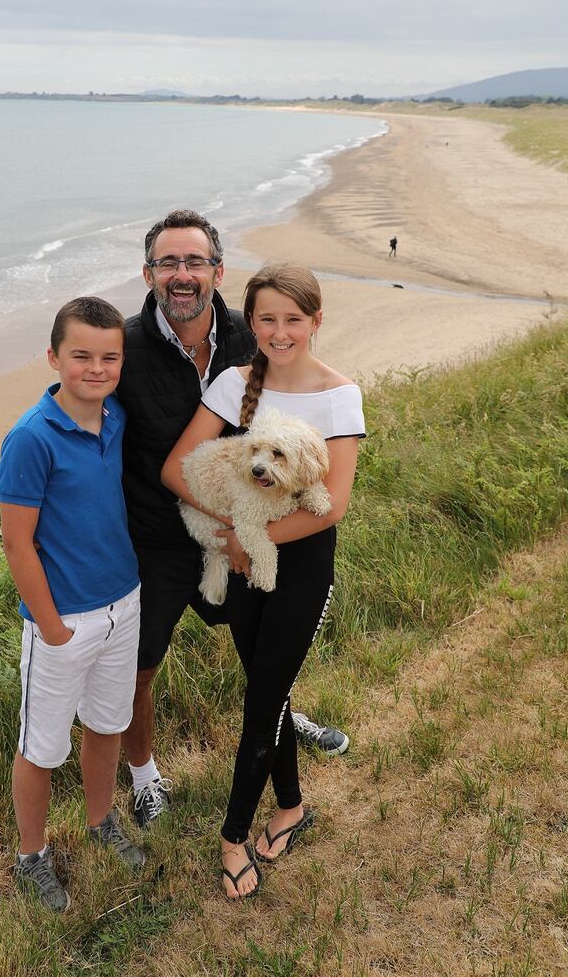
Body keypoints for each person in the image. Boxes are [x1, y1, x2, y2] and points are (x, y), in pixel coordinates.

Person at [116, 211, 349, 833]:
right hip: (159, 537)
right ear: (148, 274)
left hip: (247, 526)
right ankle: (144, 777)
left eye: (195, 262)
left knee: (267, 637)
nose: (182, 275)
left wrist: (247, 534)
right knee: (141, 661)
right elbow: (80, 401)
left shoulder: (256, 336)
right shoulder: (125, 347)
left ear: (218, 272)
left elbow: (303, 416)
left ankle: (277, 718)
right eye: (169, 262)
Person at [161, 263, 365, 899]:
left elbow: (333, 502)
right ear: (251, 323)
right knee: (266, 692)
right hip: (241, 547)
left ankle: (231, 836)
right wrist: (233, 537)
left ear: (316, 322)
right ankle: (293, 805)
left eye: (293, 320)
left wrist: (257, 544)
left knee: (262, 702)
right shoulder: (231, 384)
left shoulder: (339, 395)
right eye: (267, 319)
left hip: (299, 567)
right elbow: (176, 472)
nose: (280, 332)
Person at [0, 297, 145, 913]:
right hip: (65, 622)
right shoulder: (32, 438)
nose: (96, 367)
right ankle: (31, 856)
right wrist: (52, 627)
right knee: (41, 747)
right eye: (81, 355)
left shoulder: (115, 417)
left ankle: (101, 820)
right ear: (54, 357)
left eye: (109, 357)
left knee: (108, 727)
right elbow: (16, 542)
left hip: (124, 603)